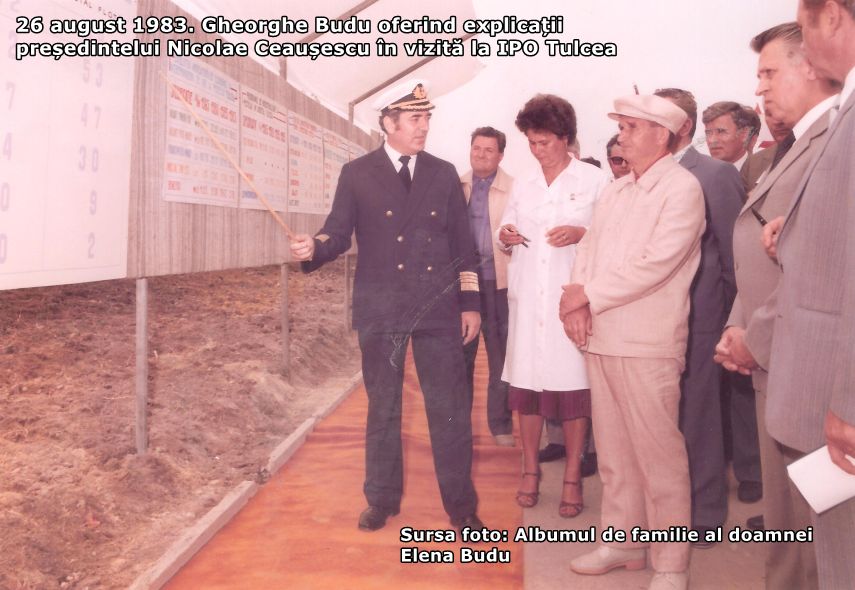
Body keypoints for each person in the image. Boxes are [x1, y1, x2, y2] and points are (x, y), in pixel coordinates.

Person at [289, 80, 484, 534]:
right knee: (383, 407)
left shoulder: (443, 174)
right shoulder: (357, 173)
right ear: (388, 123)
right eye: (415, 118)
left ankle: (461, 506)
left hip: (436, 308)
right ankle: (380, 499)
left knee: (449, 409)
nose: (424, 127)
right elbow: (337, 232)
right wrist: (314, 247)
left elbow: (464, 246)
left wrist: (470, 304)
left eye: (427, 118)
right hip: (381, 307)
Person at [562, 94, 705, 590]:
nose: (620, 136)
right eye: (620, 126)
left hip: (649, 342)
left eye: (630, 127)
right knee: (615, 453)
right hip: (602, 337)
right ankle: (622, 542)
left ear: (662, 135)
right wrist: (576, 302)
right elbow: (588, 251)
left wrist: (587, 296)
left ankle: (671, 564)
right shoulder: (617, 190)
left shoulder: (682, 189)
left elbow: (657, 263)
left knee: (659, 458)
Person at [715, 21, 838, 589]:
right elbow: (759, 252)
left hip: (803, 359)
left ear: (809, 64)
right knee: (786, 521)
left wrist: (753, 336)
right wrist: (738, 324)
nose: (759, 88)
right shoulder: (793, 147)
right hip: (774, 350)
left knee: (813, 532)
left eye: (769, 72)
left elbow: (824, 267)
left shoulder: (833, 142)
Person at [744, 1, 855, 586]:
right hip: (803, 370)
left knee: (833, 555)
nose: (760, 88)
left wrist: (850, 401)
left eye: (769, 73)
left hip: (828, 389)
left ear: (830, 17)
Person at [498, 94, 607, 518]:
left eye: (544, 142)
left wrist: (581, 233)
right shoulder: (523, 183)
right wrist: (506, 235)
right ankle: (530, 471)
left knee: (573, 389)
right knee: (526, 390)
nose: (537, 150)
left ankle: (573, 477)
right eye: (531, 142)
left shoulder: (594, 180)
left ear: (565, 138)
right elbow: (505, 228)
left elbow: (613, 234)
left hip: (571, 300)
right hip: (529, 301)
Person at [654, 87, 754, 547]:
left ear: (683, 126)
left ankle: (705, 515)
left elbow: (736, 257)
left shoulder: (714, 174)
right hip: (655, 317)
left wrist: (733, 321)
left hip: (703, 315)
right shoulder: (646, 172)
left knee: (699, 416)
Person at [460, 126, 515, 447]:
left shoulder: (514, 190)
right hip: (463, 286)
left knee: (500, 356)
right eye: (476, 148)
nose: (481, 155)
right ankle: (459, 425)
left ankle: (500, 424)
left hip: (499, 284)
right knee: (461, 356)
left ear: (501, 155)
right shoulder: (457, 186)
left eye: (489, 150)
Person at [702, 101, 760, 171]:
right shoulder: (700, 173)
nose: (712, 140)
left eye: (721, 131)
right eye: (708, 133)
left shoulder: (762, 172)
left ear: (744, 134)